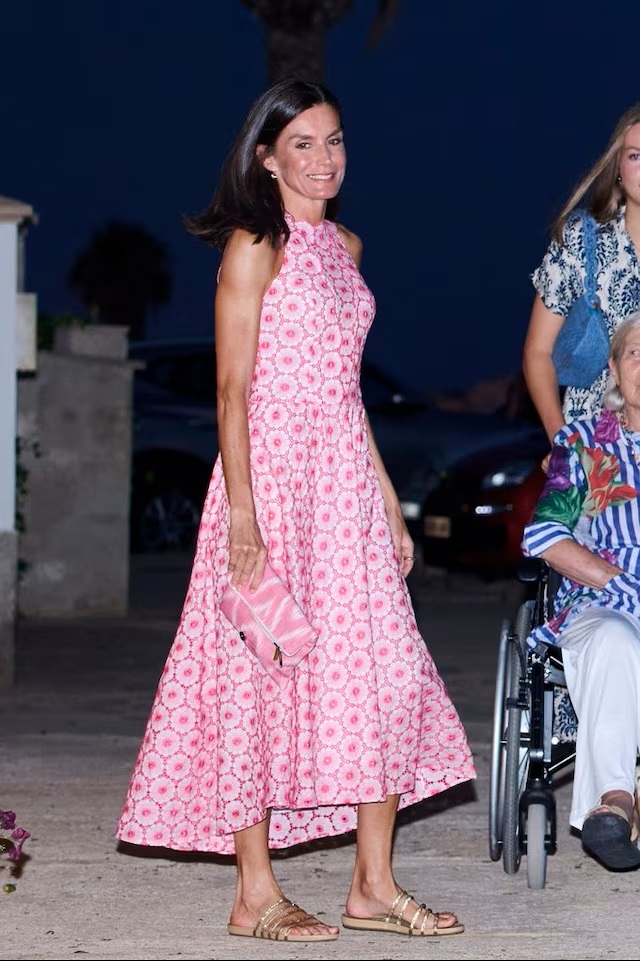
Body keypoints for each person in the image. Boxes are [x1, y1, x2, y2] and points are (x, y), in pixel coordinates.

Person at [115, 78, 476, 941]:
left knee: (386, 673)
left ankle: (372, 885)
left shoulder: (346, 246)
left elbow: (347, 393)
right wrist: (243, 516)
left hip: (344, 490)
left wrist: (389, 500)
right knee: (256, 681)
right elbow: (232, 391)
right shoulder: (253, 245)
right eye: (303, 144)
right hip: (271, 487)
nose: (324, 158)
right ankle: (254, 892)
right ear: (267, 158)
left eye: (334, 140)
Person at [522, 309, 640, 872]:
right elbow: (546, 535)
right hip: (600, 596)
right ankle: (616, 801)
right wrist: (624, 585)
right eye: (636, 353)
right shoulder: (586, 441)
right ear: (614, 368)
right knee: (616, 639)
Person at [523, 101, 640, 448]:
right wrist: (563, 442)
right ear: (618, 167)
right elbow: (538, 352)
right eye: (636, 156)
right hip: (597, 449)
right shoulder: (582, 241)